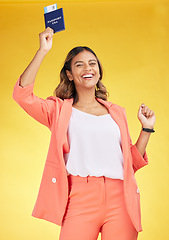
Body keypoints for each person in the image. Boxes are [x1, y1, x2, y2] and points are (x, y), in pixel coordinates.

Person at [13, 27, 156, 240]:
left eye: (92, 63)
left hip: (121, 199)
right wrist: (42, 50)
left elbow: (130, 164)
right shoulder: (59, 111)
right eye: (79, 65)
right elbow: (22, 95)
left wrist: (146, 128)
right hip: (79, 198)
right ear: (69, 74)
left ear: (98, 71)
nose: (87, 68)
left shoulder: (116, 112)